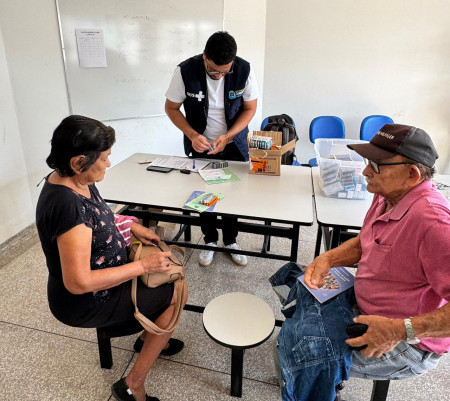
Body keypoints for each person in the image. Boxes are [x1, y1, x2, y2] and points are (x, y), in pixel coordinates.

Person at [273, 124, 450, 401]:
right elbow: (366, 240)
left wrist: (397, 330)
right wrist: (328, 258)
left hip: (409, 340)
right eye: (367, 162)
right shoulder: (386, 194)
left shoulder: (434, 223)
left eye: (376, 166)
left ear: (412, 174)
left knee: (302, 353)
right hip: (367, 305)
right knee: (297, 288)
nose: (366, 171)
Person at [36, 115, 189, 401]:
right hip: (87, 301)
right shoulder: (68, 207)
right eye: (104, 157)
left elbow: (100, 218)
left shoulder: (76, 180)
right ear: (78, 162)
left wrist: (133, 226)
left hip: (102, 283)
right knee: (176, 292)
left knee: (165, 280)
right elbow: (79, 283)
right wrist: (142, 265)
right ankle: (132, 385)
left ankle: (148, 338)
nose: (108, 163)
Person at [165, 31, 259, 267]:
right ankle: (209, 240)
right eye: (213, 70)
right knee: (204, 194)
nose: (218, 76)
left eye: (224, 72)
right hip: (202, 144)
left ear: (232, 62)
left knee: (233, 193)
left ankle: (231, 241)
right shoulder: (185, 71)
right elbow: (171, 108)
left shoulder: (244, 70)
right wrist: (192, 135)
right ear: (204, 56)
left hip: (233, 143)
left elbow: (249, 108)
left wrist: (228, 136)